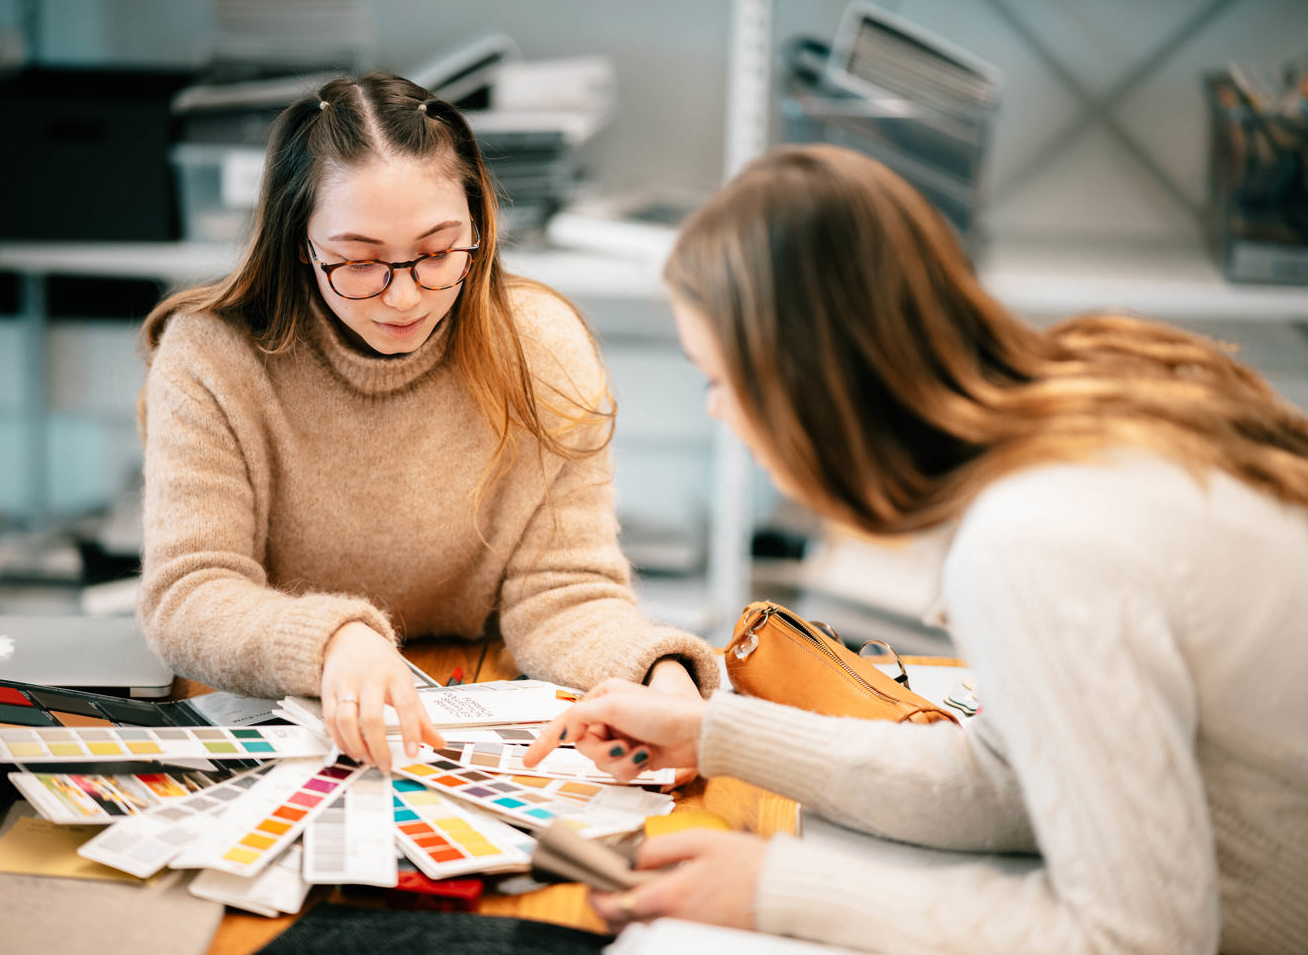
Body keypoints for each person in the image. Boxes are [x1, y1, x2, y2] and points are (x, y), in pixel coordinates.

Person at [525, 144, 1308, 953]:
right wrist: (717, 734)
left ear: (803, 384)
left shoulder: (1034, 542)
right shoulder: (1086, 402)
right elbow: (1009, 781)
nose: (719, 413)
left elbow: (1134, 939)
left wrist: (774, 891)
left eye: (718, 378)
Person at [136, 72, 717, 775]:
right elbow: (190, 592)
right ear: (298, 243)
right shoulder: (210, 356)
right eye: (358, 261)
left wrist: (659, 674)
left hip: (464, 701)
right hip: (279, 720)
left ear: (479, 225)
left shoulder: (541, 348)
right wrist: (334, 642)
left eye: (439, 252)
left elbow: (566, 594)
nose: (405, 295)